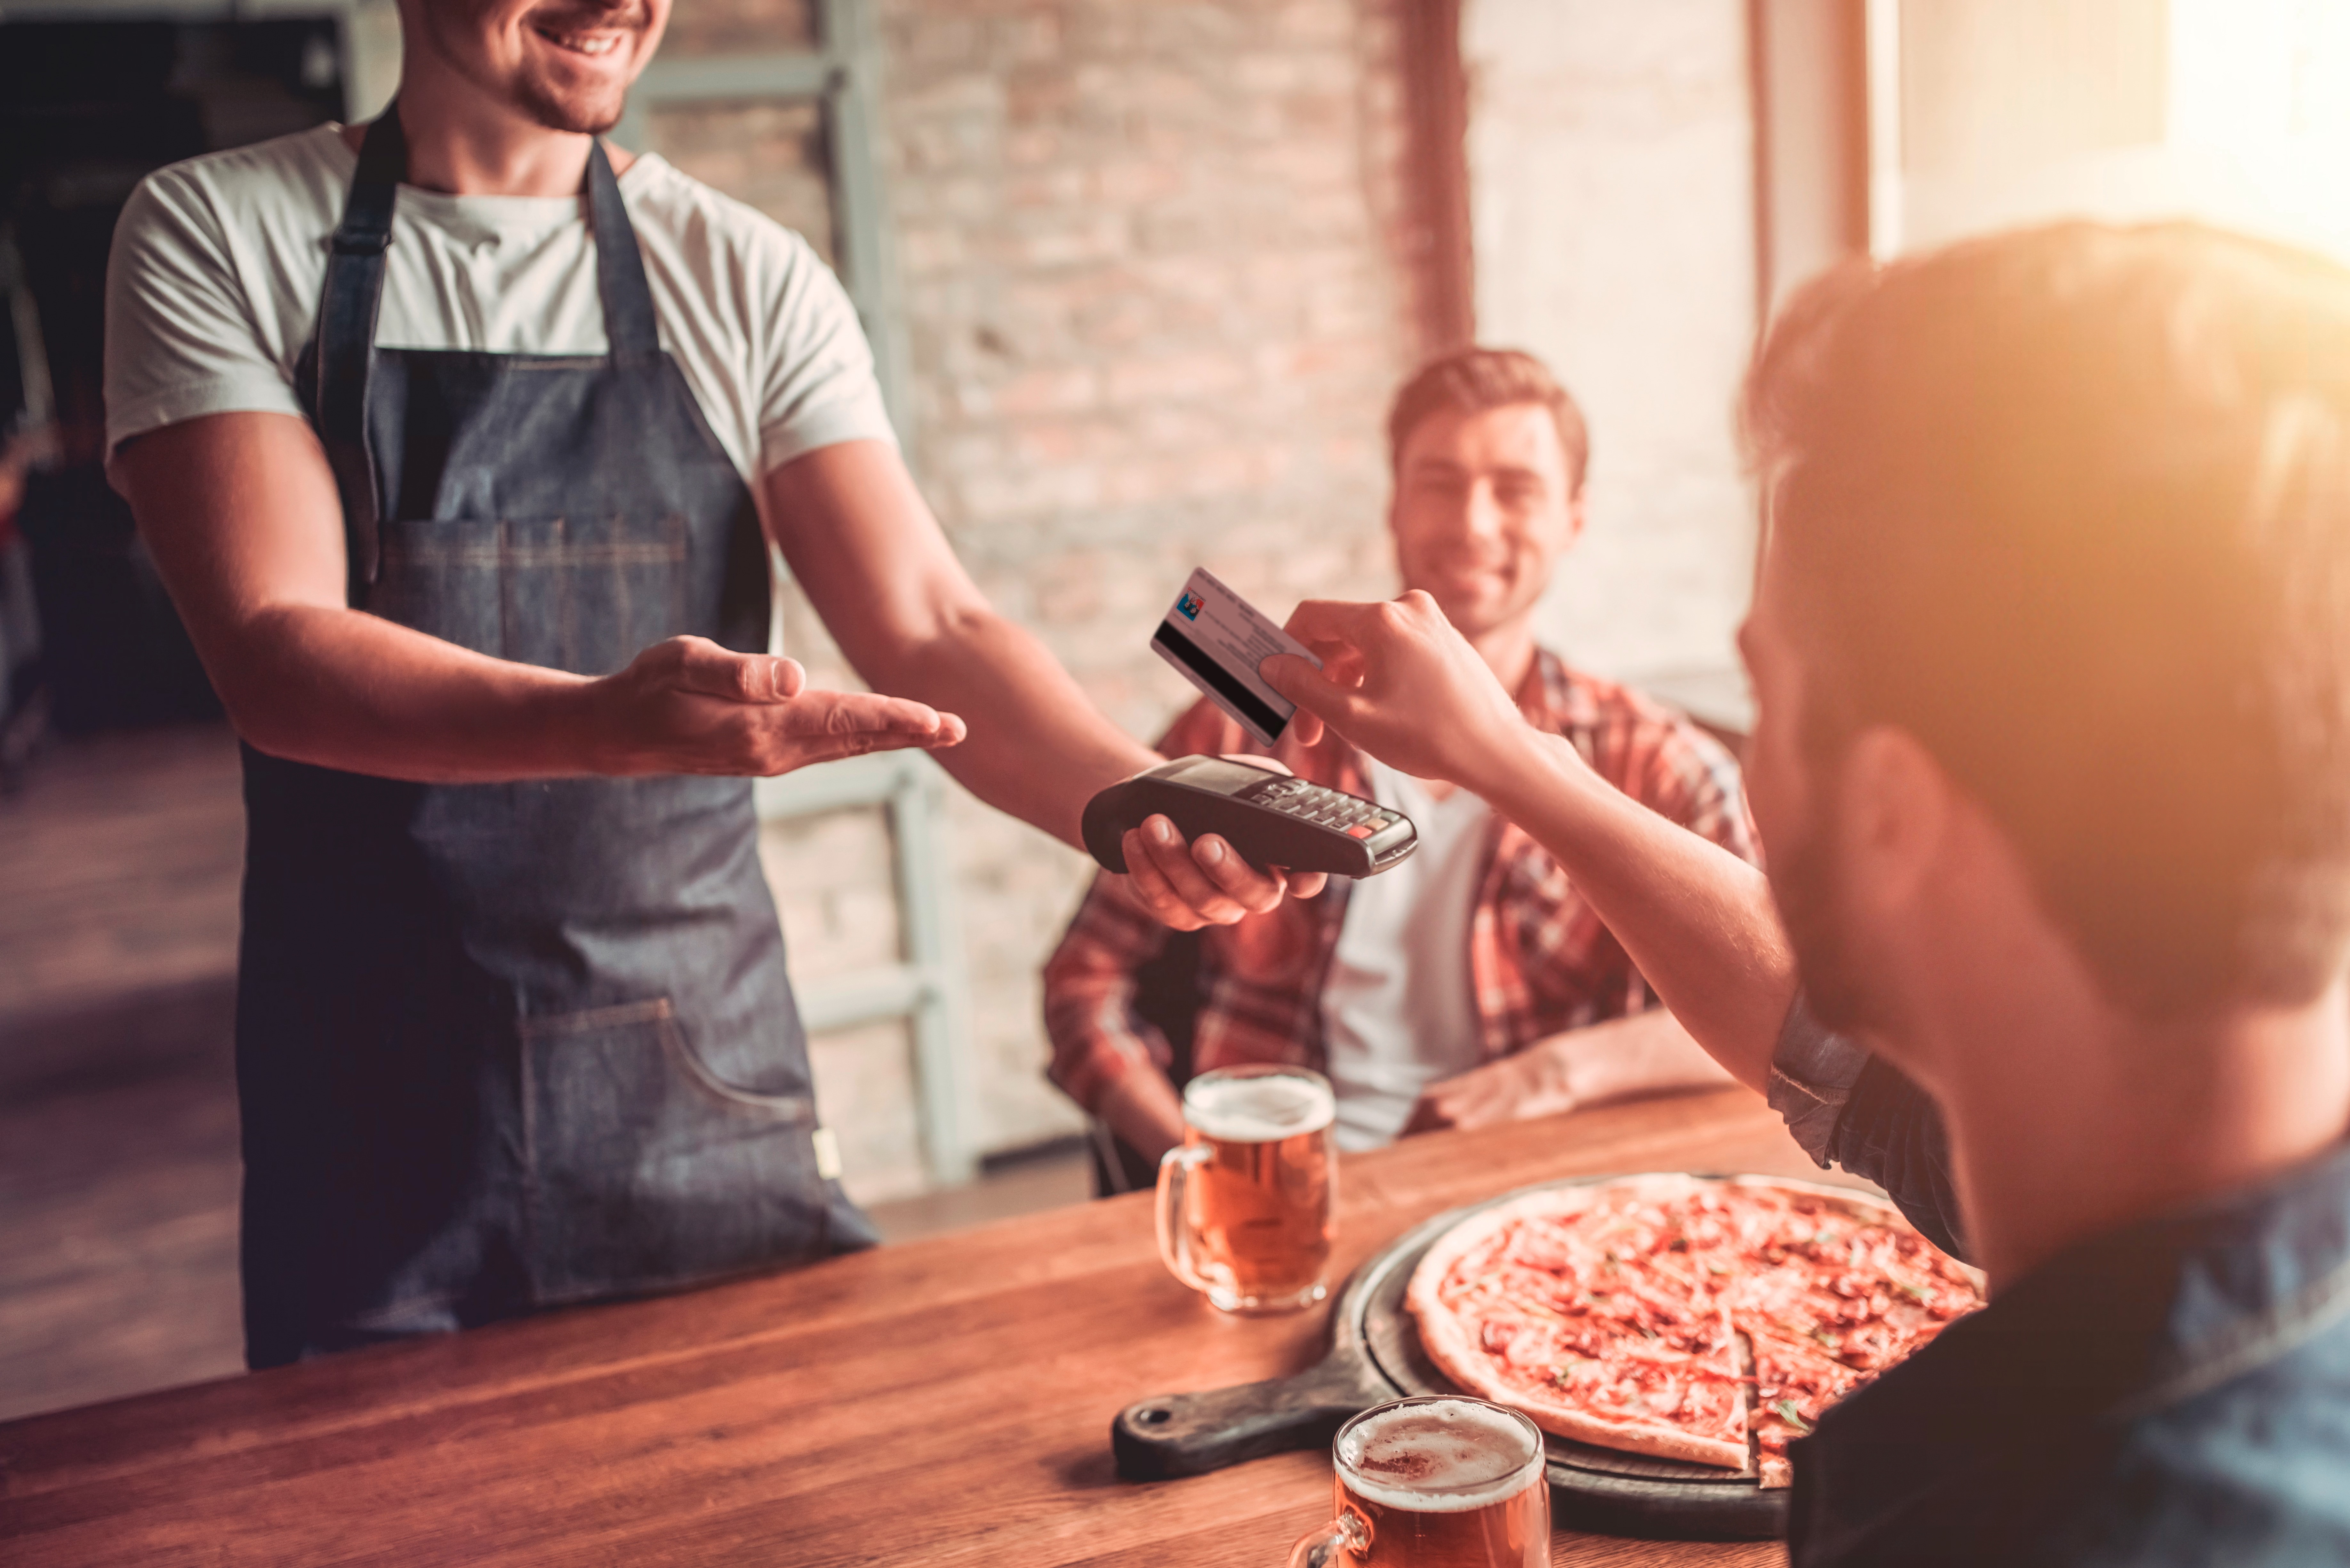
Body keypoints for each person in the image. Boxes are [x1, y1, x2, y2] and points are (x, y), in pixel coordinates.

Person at [101, 0, 1305, 1368]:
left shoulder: (744, 272)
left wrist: (1139, 798)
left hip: (700, 1079)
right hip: (375, 1099)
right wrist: (594, 723)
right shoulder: (217, 232)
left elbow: (928, 617)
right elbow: (276, 647)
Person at [1257, 223, 2350, 1564]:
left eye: (1767, 698)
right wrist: (1514, 759)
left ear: (1892, 814)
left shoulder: (2022, 1516)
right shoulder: (2163, 1148)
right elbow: (1824, 1045)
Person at [1044, 348, 1758, 1184]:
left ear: (1575, 518)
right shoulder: (1239, 729)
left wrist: (1553, 1075)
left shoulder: (1655, 761)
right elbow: (1083, 984)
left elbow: (1785, 1008)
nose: (1474, 524)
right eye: (1440, 483)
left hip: (1526, 1202)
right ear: (1394, 505)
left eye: (1516, 490)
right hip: (1288, 1187)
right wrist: (1196, 1164)